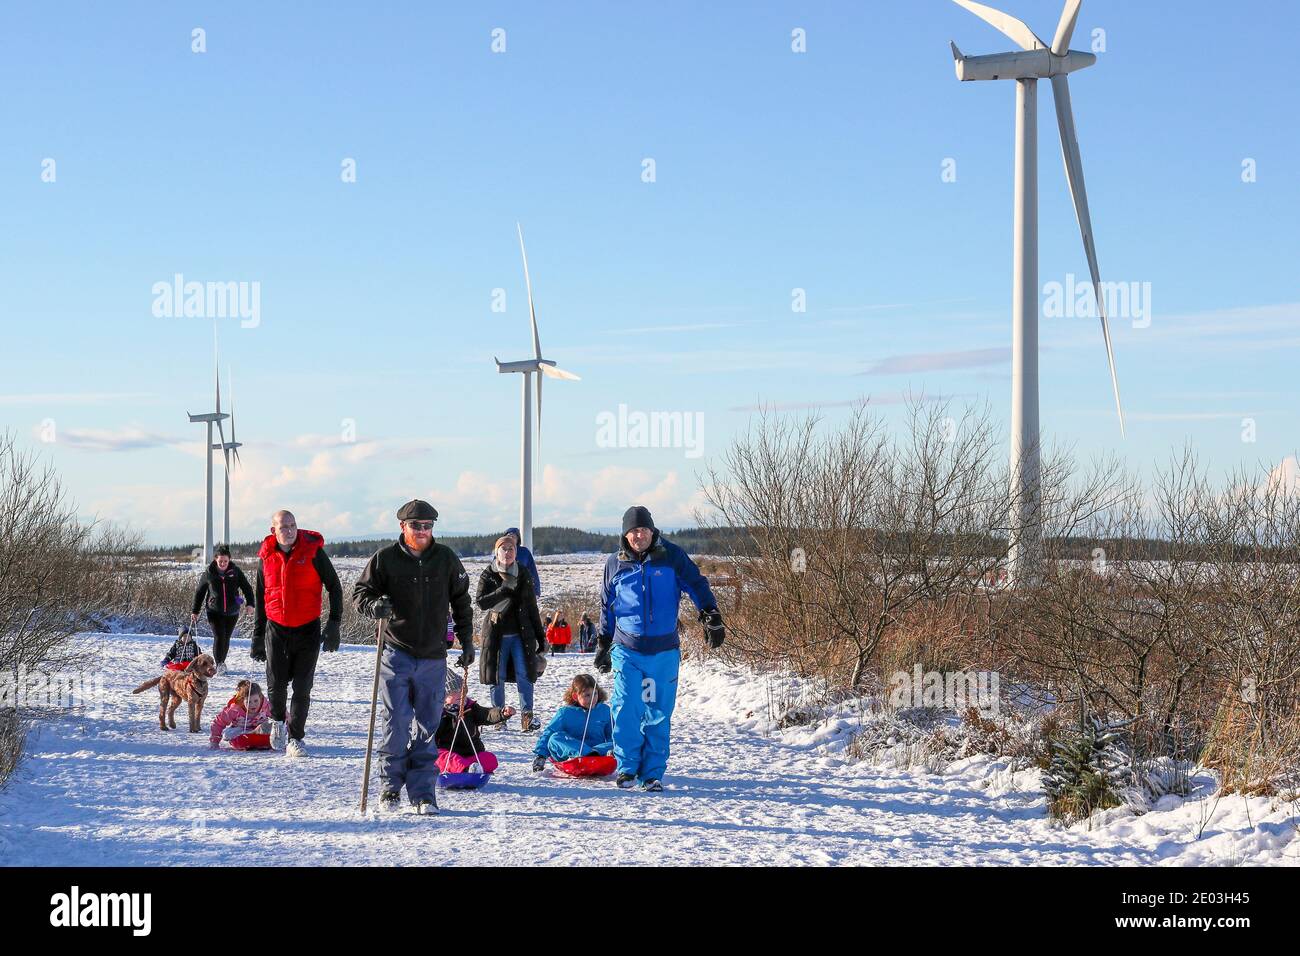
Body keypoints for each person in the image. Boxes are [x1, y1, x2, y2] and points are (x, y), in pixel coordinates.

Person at [352, 499, 474, 815]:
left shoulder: (445, 559)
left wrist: (467, 640)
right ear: (403, 526)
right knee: (396, 721)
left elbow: (462, 601)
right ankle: (389, 789)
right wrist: (374, 606)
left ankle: (423, 794)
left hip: (434, 656)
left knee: (428, 724)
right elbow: (360, 595)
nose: (422, 531)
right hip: (395, 651)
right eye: (416, 525)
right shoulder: (385, 559)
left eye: (427, 525)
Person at [595, 505, 725, 791]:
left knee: (658, 711)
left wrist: (710, 614)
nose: (638, 535)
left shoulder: (672, 556)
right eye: (632, 531)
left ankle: (652, 773)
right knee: (627, 706)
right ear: (625, 534)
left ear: (652, 531)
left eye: (643, 530)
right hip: (627, 649)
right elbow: (607, 604)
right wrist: (604, 641)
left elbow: (696, 583)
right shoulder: (614, 564)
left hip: (663, 652)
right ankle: (627, 767)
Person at [251, 510, 343, 758]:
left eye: (292, 525)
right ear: (274, 531)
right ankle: (278, 722)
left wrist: (334, 623)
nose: (289, 530)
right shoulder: (266, 556)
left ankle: (297, 738)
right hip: (276, 628)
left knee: (302, 688)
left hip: (307, 629)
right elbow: (260, 597)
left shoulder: (313, 552)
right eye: (284, 527)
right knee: (276, 685)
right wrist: (258, 636)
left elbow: (334, 586)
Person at [476, 534, 546, 732]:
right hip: (496, 635)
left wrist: (540, 636)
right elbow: (481, 602)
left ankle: (527, 719)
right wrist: (503, 590)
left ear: (516, 552)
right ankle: (499, 718)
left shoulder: (523, 573)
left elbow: (532, 606)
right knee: (496, 677)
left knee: (525, 675)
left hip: (521, 635)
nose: (508, 552)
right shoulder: (488, 574)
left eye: (511, 549)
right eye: (504, 549)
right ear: (496, 552)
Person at [190, 544, 255, 675]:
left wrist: (250, 604)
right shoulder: (209, 573)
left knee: (226, 638)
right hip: (214, 611)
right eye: (220, 561)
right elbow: (200, 592)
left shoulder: (235, 572)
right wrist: (195, 611)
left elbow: (247, 588)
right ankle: (219, 664)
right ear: (215, 559)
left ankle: (222, 662)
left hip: (232, 611)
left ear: (229, 560)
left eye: (226, 561)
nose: (223, 563)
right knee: (219, 636)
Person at [531, 673, 613, 771]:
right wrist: (541, 755)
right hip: (571, 756)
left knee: (618, 741)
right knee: (555, 738)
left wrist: (610, 749)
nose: (592, 699)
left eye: (595, 693)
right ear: (575, 696)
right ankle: (586, 754)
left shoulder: (604, 711)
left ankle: (592, 754)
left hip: (597, 752)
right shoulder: (565, 712)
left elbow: (612, 735)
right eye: (587, 695)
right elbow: (549, 733)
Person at [435, 676, 511, 775]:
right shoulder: (438, 713)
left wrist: (502, 713)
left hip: (470, 753)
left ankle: (471, 768)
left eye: (462, 691)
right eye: (453, 693)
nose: (460, 694)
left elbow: (486, 714)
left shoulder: (471, 708)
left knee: (489, 758)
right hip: (447, 752)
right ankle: (465, 769)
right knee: (440, 757)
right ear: (443, 697)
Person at [208, 680, 273, 750]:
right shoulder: (235, 710)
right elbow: (218, 722)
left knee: (273, 727)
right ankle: (253, 737)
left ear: (260, 697)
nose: (253, 705)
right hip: (241, 732)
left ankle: (259, 738)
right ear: (242, 700)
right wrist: (215, 741)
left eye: (256, 701)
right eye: (248, 702)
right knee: (228, 734)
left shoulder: (266, 707)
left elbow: (282, 716)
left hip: (260, 733)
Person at [504, 526, 543, 596]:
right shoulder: (500, 551)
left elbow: (532, 571)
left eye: (513, 536)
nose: (511, 538)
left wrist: (536, 590)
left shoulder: (524, 552)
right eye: (509, 536)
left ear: (518, 539)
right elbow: (493, 570)